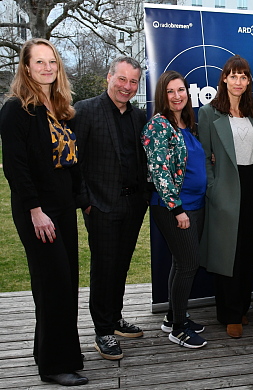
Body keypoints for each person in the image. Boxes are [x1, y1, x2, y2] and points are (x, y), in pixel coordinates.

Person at [0, 38, 88, 386]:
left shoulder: (61, 106)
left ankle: (60, 355)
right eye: (39, 62)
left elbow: (70, 162)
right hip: (38, 211)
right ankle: (53, 366)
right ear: (26, 68)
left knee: (67, 285)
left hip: (63, 209)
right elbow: (16, 169)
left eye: (51, 61)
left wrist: (81, 199)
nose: (47, 67)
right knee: (52, 285)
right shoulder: (15, 110)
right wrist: (36, 210)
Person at [70, 57, 148, 360]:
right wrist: (86, 202)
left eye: (133, 82)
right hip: (100, 205)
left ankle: (114, 319)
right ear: (109, 77)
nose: (127, 87)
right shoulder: (85, 110)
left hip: (132, 204)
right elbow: (73, 162)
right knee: (103, 268)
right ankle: (102, 331)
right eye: (122, 79)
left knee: (121, 265)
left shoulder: (138, 116)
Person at [198, 55, 253, 338]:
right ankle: (229, 313)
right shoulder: (209, 112)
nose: (238, 81)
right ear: (224, 78)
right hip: (225, 188)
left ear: (249, 81)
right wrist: (213, 189)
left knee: (247, 250)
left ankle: (243, 307)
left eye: (243, 76)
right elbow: (204, 157)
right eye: (233, 75)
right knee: (228, 254)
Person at [142, 70, 207, 349]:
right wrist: (177, 208)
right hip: (174, 207)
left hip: (195, 204)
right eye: (170, 91)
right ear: (162, 95)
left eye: (181, 90)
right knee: (189, 264)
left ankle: (173, 316)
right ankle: (178, 329)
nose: (177, 96)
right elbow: (159, 173)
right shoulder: (158, 125)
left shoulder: (187, 124)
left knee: (181, 263)